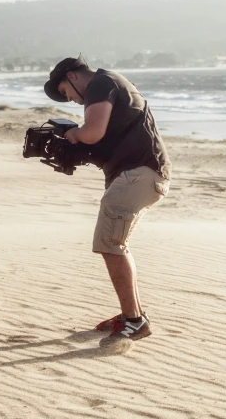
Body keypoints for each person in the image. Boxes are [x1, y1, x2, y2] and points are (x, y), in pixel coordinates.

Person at [44, 54, 171, 348]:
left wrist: (71, 132)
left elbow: (92, 133)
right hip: (144, 175)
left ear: (72, 77)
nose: (73, 101)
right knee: (115, 244)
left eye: (65, 92)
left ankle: (135, 321)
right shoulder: (112, 82)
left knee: (110, 245)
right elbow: (106, 139)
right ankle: (134, 315)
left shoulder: (100, 84)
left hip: (139, 175)